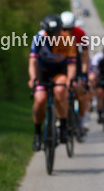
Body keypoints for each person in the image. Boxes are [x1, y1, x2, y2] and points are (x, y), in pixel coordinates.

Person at [28, 14, 77, 151]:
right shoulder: (38, 39)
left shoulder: (67, 39)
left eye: (55, 34)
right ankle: (37, 132)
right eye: (49, 34)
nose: (52, 37)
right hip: (42, 70)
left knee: (60, 91)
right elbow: (32, 62)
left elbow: (72, 64)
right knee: (40, 98)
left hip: (59, 70)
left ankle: (63, 126)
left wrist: (70, 79)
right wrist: (33, 78)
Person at [60, 10, 90, 136]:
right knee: (61, 90)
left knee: (79, 91)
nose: (67, 32)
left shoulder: (80, 33)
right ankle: (61, 118)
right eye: (64, 29)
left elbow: (85, 55)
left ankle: (81, 123)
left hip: (76, 62)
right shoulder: (56, 33)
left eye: (70, 29)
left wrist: (83, 73)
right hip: (61, 62)